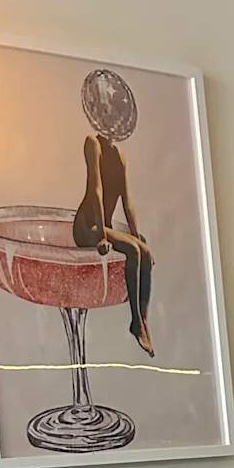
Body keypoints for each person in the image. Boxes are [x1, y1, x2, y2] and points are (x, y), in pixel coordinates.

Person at [72, 69, 155, 357]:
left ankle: (143, 318)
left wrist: (136, 233)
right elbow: (95, 189)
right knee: (133, 251)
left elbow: (127, 200)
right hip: (88, 225)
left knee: (143, 250)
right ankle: (135, 322)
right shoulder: (92, 144)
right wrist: (100, 235)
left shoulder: (120, 155)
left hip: (104, 225)